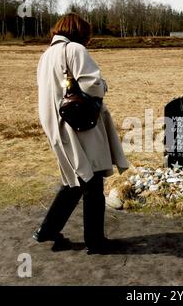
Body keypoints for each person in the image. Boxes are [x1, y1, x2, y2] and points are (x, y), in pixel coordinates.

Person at [34, 13, 129, 255]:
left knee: (74, 181)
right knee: (93, 181)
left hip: (57, 126)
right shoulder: (74, 49)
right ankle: (95, 242)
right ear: (79, 32)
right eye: (87, 34)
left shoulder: (46, 55)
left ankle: (46, 231)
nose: (88, 39)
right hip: (78, 126)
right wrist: (104, 85)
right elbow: (92, 85)